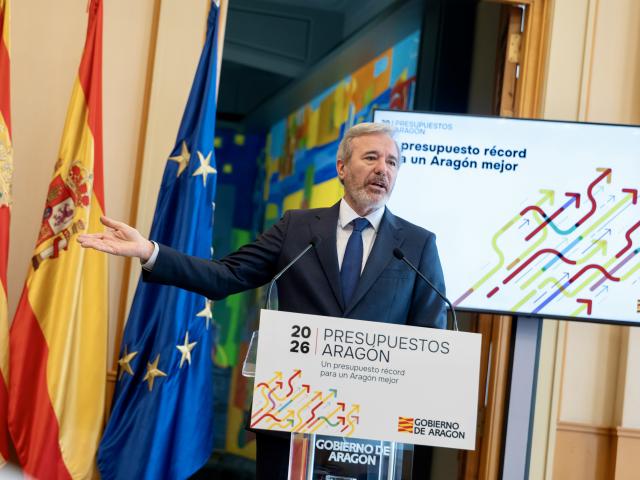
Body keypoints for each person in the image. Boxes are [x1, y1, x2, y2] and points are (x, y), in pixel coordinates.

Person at [78, 122, 446, 479]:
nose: (383, 169)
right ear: (342, 168)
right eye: (371, 157)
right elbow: (225, 275)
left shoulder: (417, 245)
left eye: (392, 162)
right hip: (291, 417)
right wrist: (150, 251)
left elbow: (430, 340)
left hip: (371, 433)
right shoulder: (298, 228)